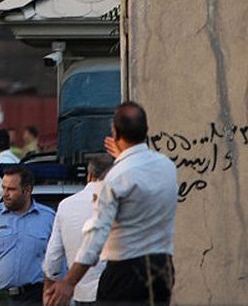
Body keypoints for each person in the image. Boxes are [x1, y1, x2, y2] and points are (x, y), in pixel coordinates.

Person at [44, 102, 177, 306]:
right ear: (147, 131)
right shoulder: (166, 166)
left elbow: (97, 235)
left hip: (125, 274)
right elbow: (139, 170)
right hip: (162, 269)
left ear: (114, 133)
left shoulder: (115, 178)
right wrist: (123, 157)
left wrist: (69, 281)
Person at [0, 165, 55, 302]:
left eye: (11, 189)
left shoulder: (48, 218)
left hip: (34, 297)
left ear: (28, 190)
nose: (5, 194)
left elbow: (58, 260)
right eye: (4, 188)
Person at [42, 153, 113, 306]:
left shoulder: (66, 205)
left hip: (79, 296)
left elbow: (53, 258)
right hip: (114, 294)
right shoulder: (121, 204)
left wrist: (49, 288)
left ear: (89, 176)